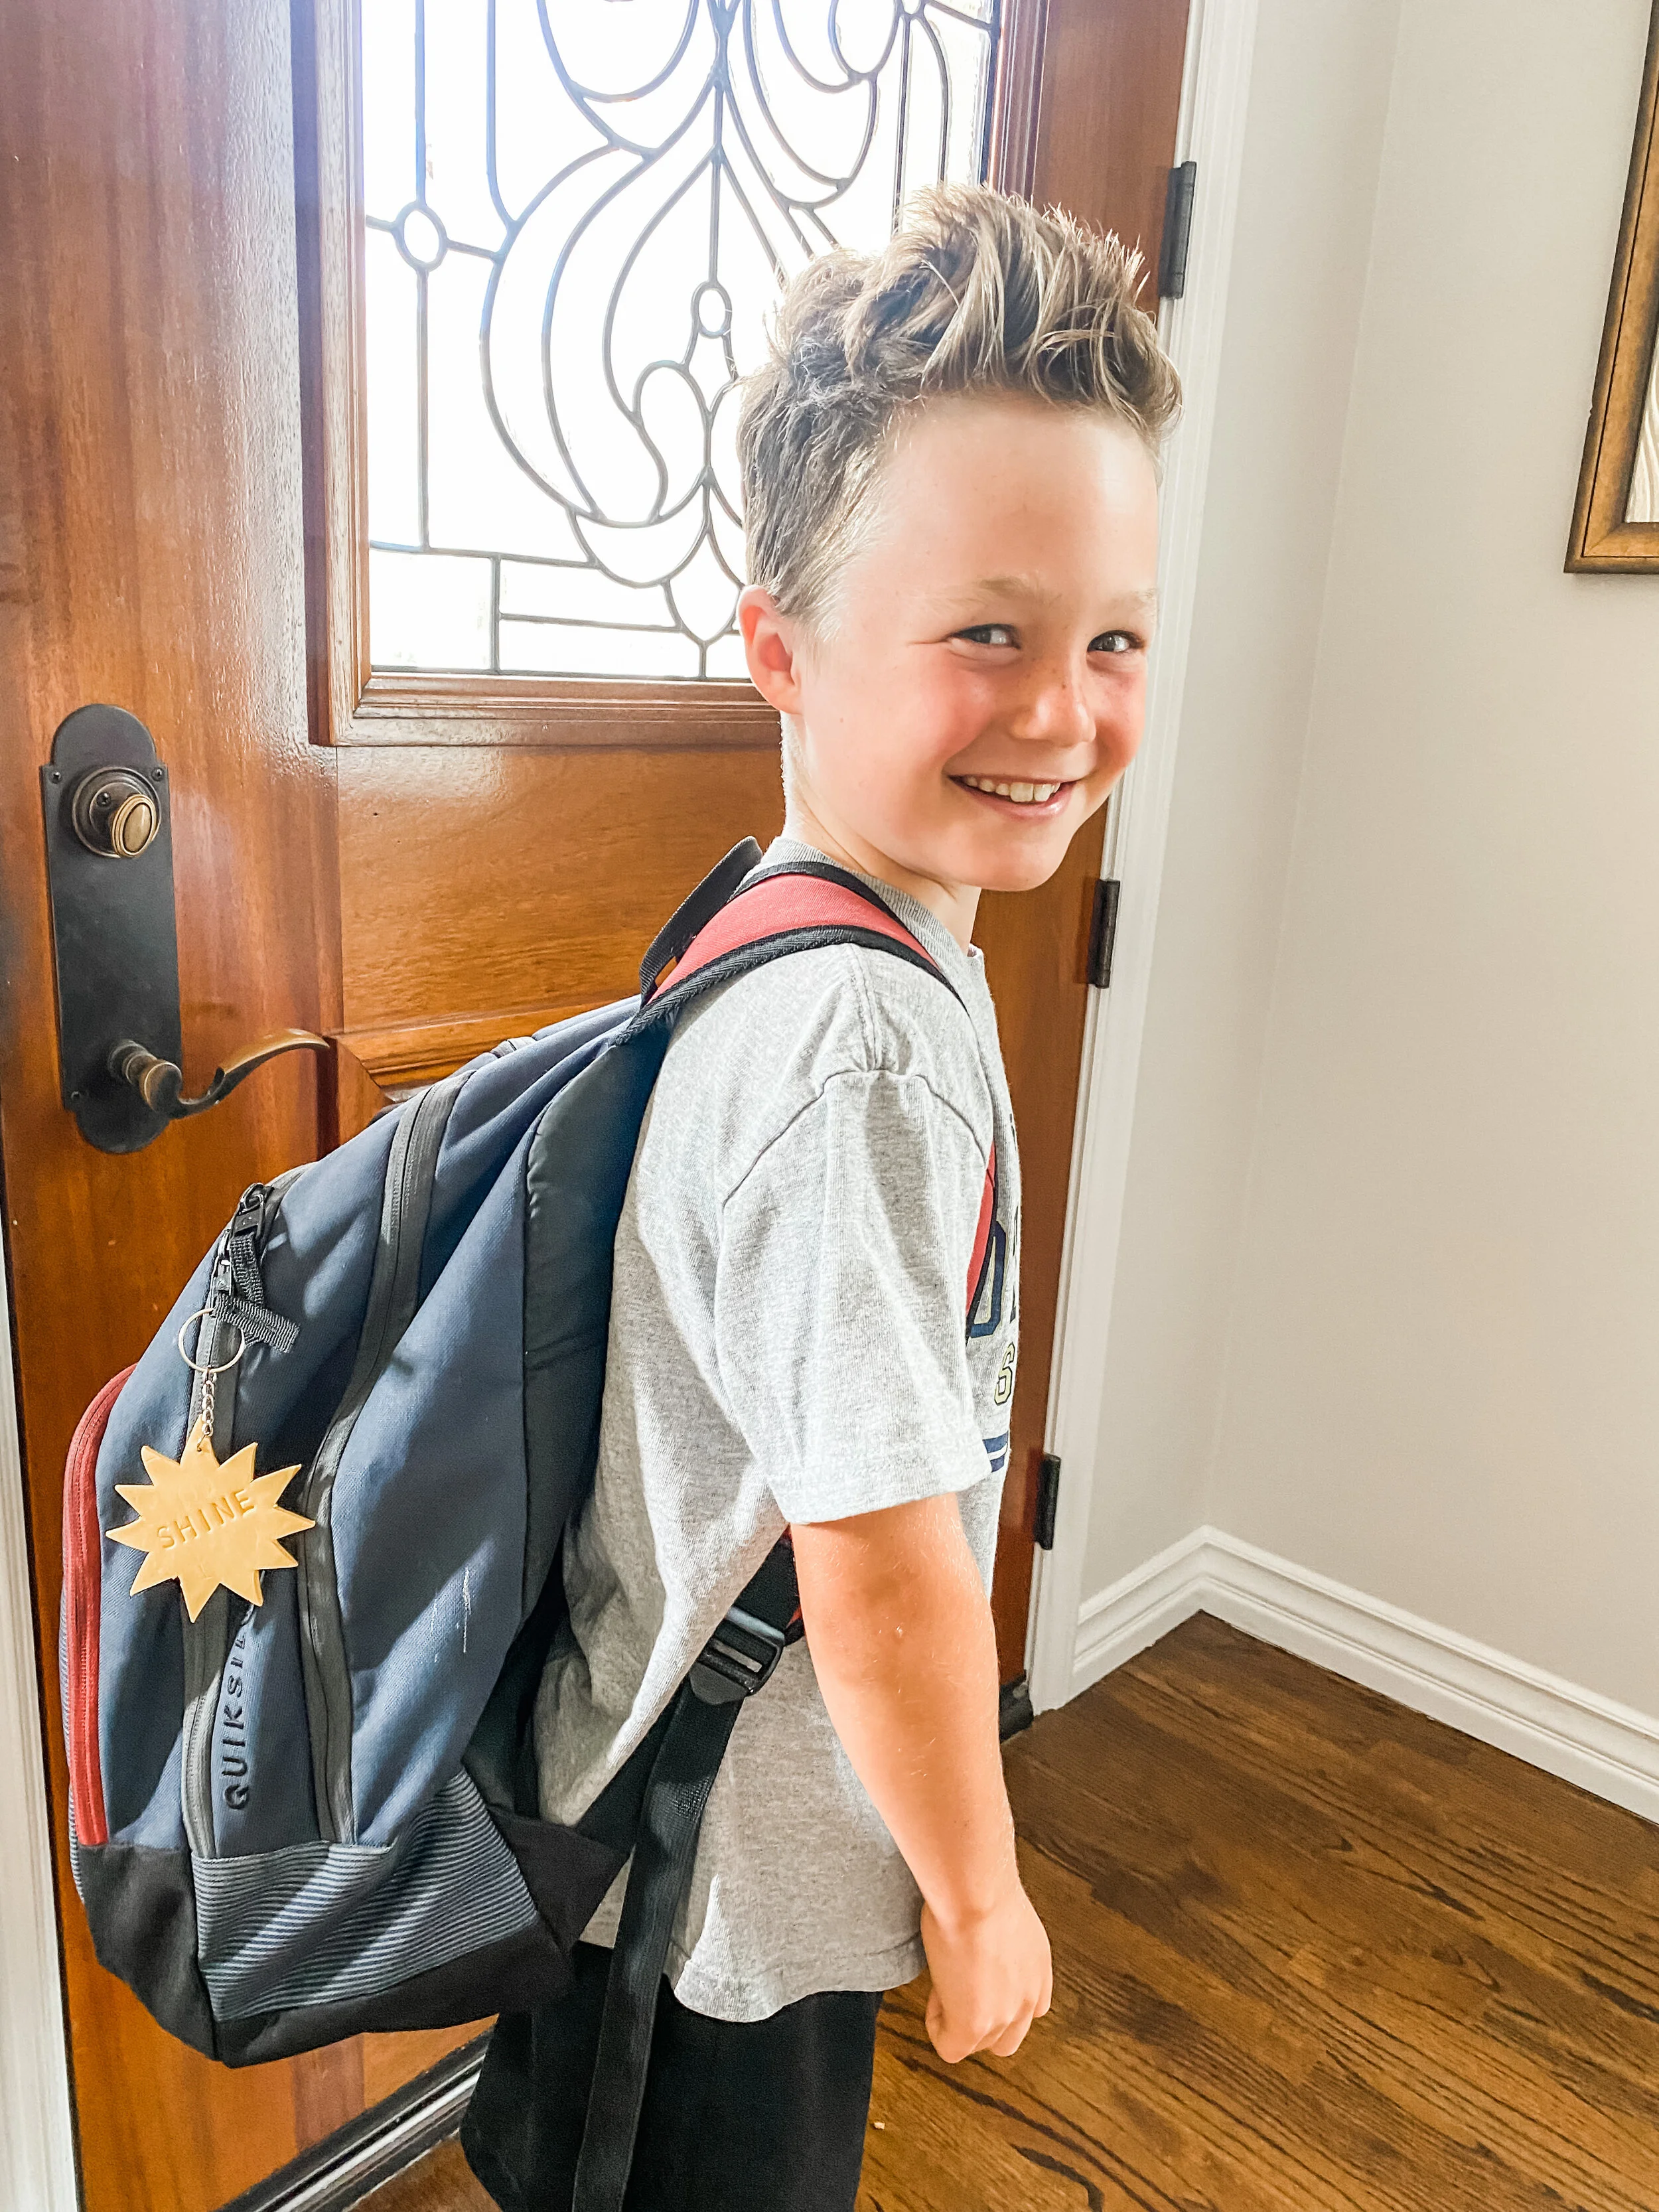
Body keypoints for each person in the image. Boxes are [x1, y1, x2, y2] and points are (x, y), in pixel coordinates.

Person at [462, 181, 1179, 2212]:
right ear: (777, 646)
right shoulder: (854, 1042)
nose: (1059, 710)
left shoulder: (789, 926)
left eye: (1110, 637)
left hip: (662, 1799)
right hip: (720, 1885)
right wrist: (980, 1889)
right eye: (984, 634)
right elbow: (873, 1557)